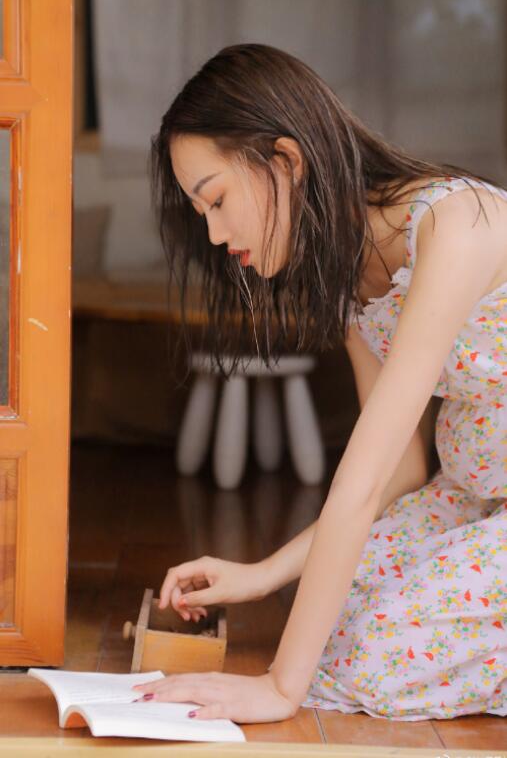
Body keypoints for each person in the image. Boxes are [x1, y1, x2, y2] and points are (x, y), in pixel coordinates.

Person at [132, 44, 507, 723]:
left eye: (216, 200)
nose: (213, 234)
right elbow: (400, 469)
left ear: (286, 160)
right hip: (472, 497)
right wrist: (263, 574)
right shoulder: (351, 278)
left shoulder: (455, 226)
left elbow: (363, 482)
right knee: (338, 624)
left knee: (378, 655)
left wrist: (280, 688)